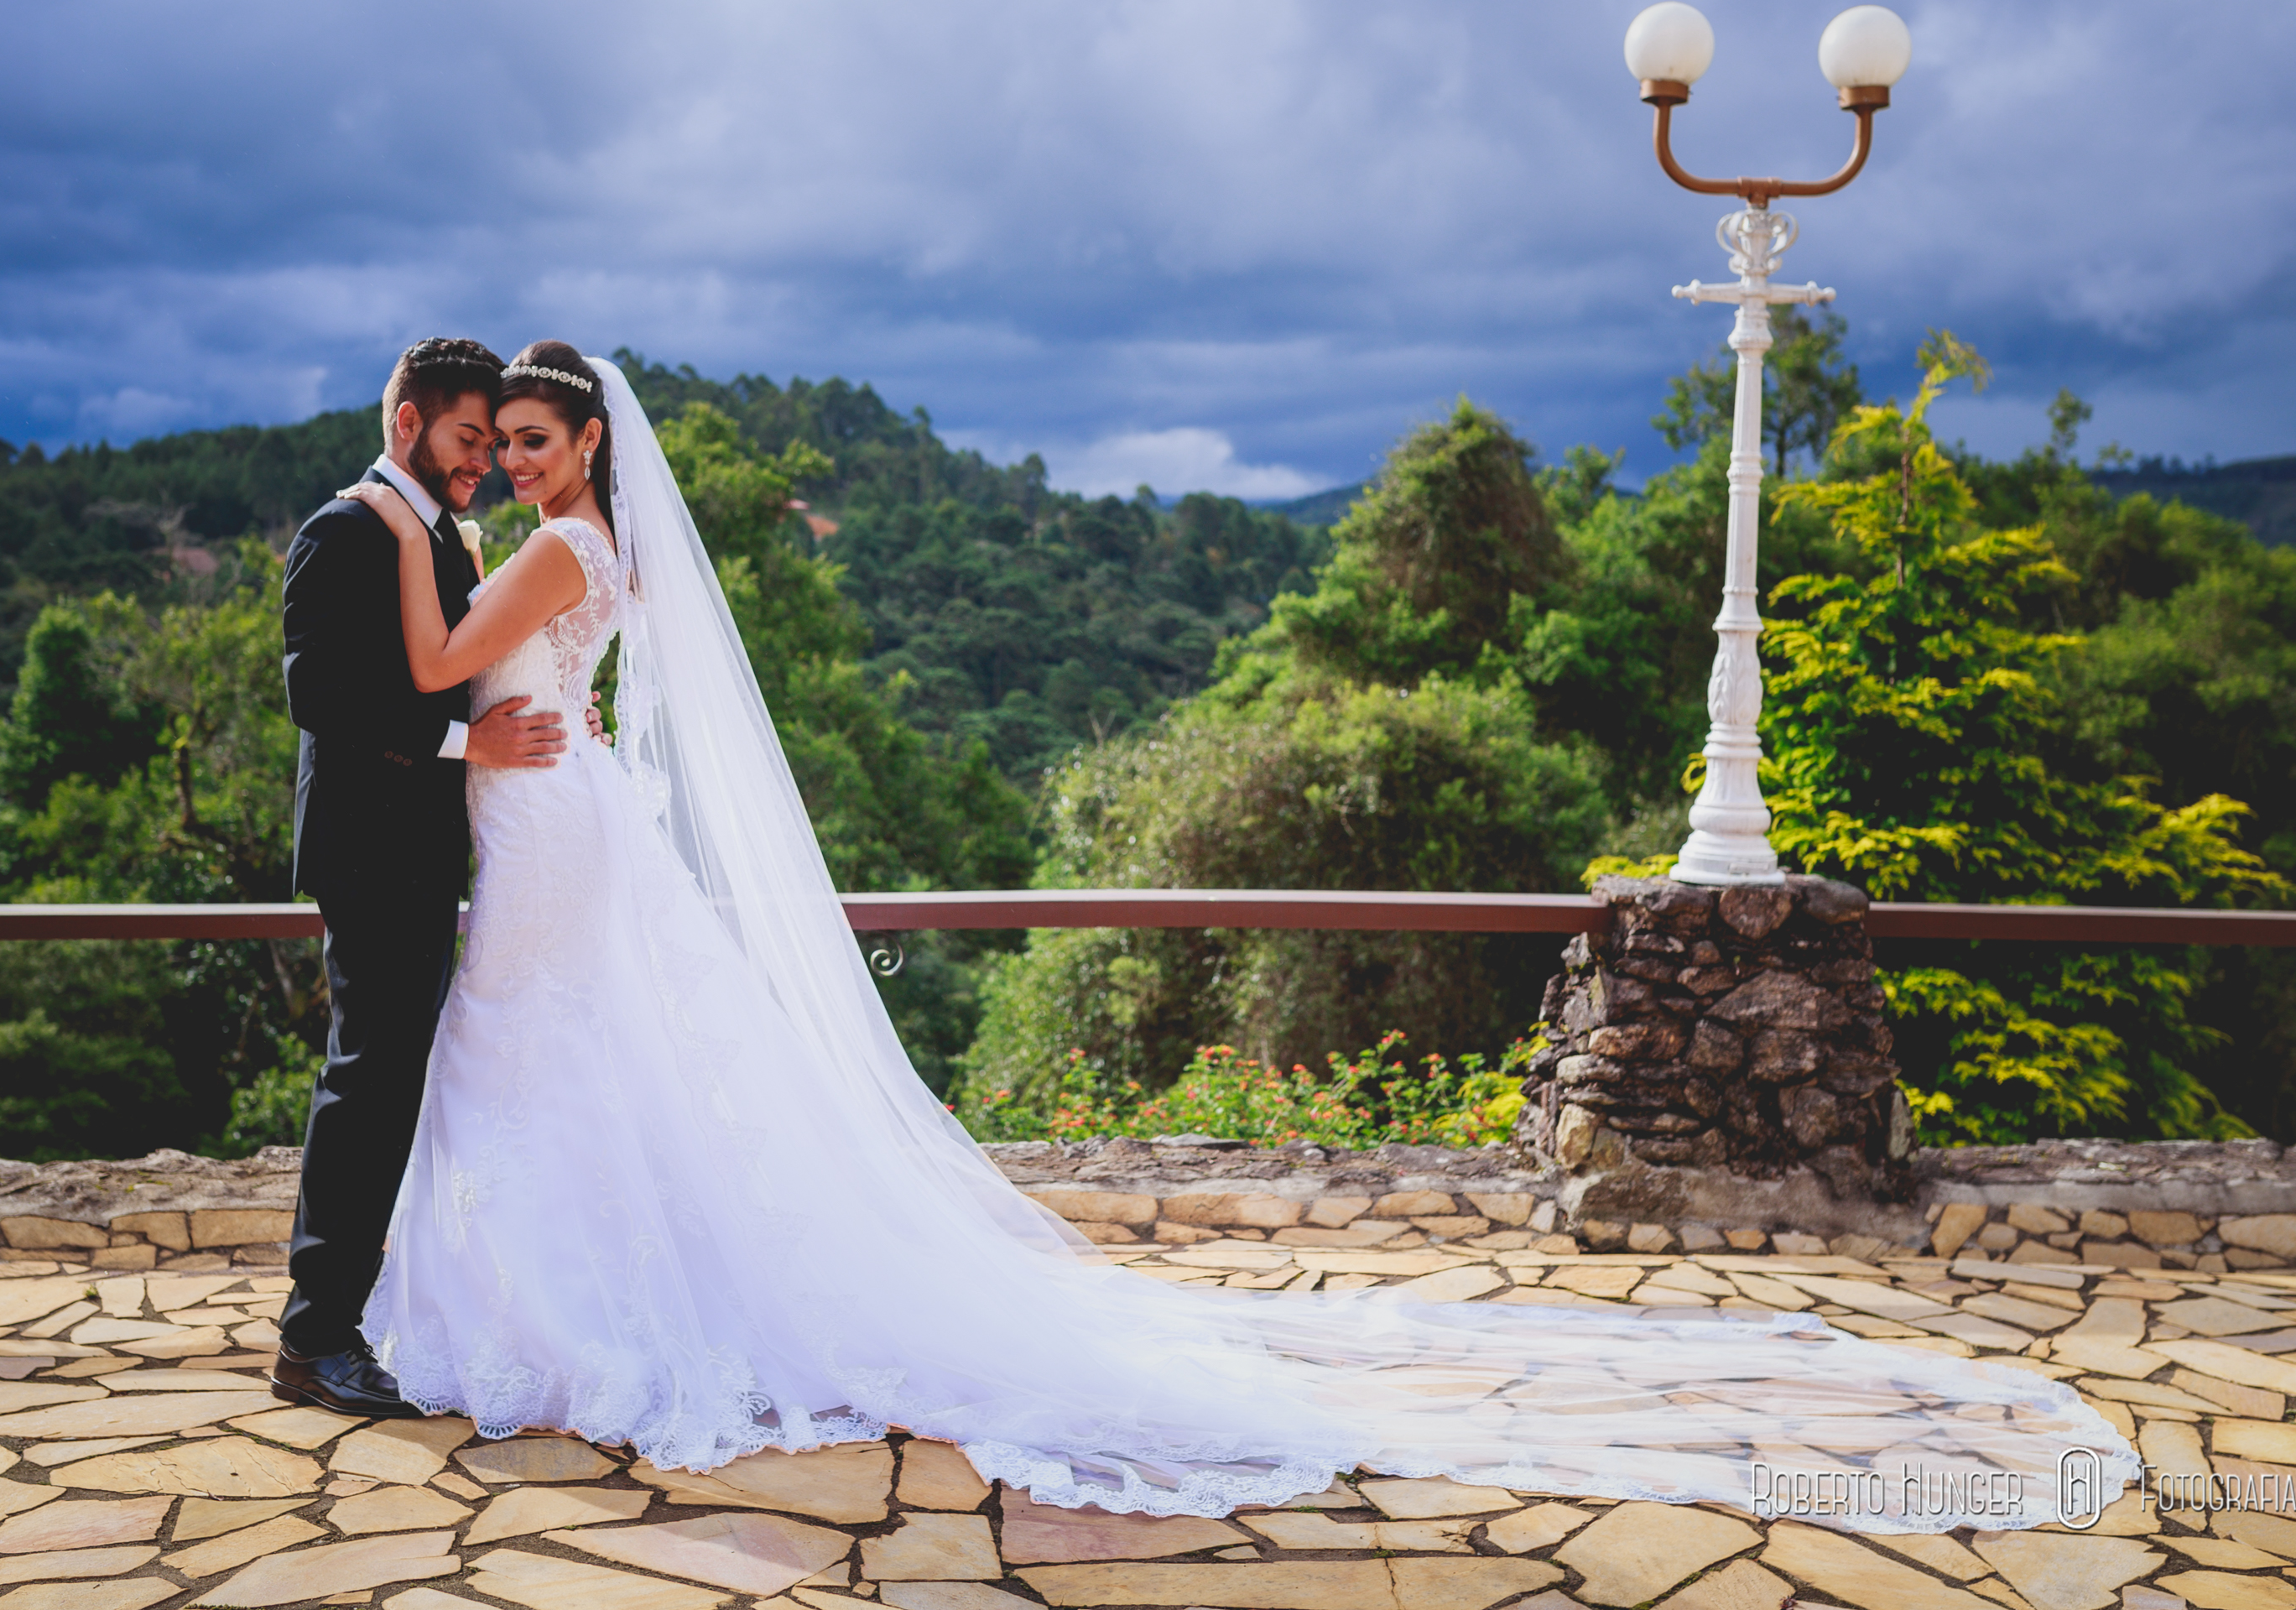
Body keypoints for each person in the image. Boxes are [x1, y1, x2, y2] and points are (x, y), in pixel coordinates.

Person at [334, 340, 2135, 1530]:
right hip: (547, 808)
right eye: (494, 441)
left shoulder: (554, 552)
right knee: (552, 1055)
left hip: (547, 815)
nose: (511, 456)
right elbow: (464, 687)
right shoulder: (585, 550)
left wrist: (396, 513)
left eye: (533, 438)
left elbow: (430, 662)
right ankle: (543, 1294)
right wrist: (444, 609)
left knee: (527, 1047)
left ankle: (547, 1311)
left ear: (582, 449)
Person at [272, 338, 572, 1418]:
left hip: (419, 852)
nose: (482, 462)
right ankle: (315, 1336)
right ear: (409, 423)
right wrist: (466, 745)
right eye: (467, 439)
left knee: (394, 1078)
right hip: (366, 848)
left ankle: (348, 1316)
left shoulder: (438, 533)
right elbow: (319, 693)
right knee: (368, 1079)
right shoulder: (343, 528)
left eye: (492, 445)